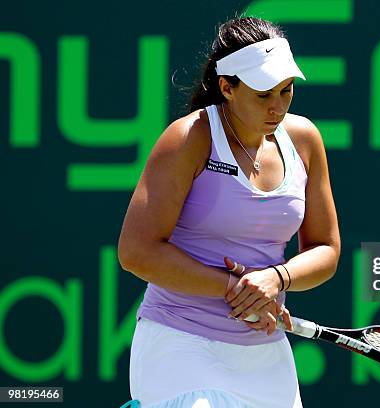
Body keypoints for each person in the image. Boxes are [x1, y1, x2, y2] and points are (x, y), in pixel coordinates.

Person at [118, 16, 341, 408]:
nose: (277, 106)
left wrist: (277, 278)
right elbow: (137, 251)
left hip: (264, 355)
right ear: (227, 88)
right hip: (179, 342)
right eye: (262, 94)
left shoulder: (304, 139)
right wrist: (234, 289)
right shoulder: (189, 138)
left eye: (286, 91)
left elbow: (326, 250)